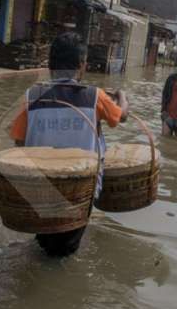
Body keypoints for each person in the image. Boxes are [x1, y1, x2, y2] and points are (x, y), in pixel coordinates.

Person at [9, 32, 129, 257]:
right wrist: (122, 96)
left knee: (44, 243)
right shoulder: (94, 96)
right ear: (82, 66)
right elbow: (122, 116)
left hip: (39, 191)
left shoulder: (32, 96)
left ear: (50, 65)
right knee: (63, 254)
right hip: (77, 191)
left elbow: (18, 141)